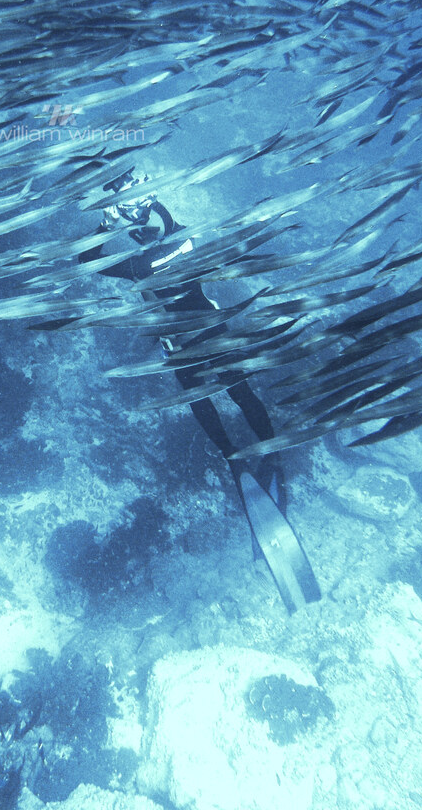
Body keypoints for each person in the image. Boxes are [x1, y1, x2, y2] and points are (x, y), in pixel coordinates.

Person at [80, 168, 321, 609]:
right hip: (214, 327)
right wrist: (146, 205)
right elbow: (171, 226)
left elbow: (86, 259)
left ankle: (233, 459)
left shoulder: (137, 266)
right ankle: (273, 457)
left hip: (181, 344)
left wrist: (106, 223)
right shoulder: (188, 235)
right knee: (242, 393)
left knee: (198, 398)